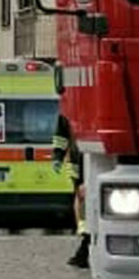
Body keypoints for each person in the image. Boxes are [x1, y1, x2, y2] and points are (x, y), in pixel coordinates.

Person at [52, 111, 89, 268]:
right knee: (82, 208)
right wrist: (58, 155)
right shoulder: (68, 108)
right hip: (78, 168)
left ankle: (85, 248)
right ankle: (85, 245)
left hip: (89, 165)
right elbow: (61, 135)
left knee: (86, 208)